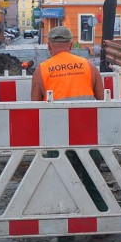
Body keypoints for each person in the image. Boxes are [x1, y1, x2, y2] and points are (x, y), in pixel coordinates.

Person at [31, 26, 107, 215]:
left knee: (63, 183)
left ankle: (67, 232)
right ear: (71, 45)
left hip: (57, 137)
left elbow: (33, 107)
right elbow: (102, 100)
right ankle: (101, 221)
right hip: (88, 134)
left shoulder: (41, 71)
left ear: (49, 46)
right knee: (93, 180)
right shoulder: (88, 66)